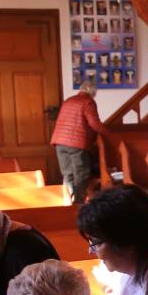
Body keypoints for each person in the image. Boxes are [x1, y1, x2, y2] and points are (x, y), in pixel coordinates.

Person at [50, 78, 111, 206]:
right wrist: (109, 134)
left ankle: (67, 202)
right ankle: (78, 203)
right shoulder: (88, 102)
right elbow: (94, 124)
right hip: (76, 144)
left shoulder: (68, 101)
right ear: (92, 91)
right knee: (81, 174)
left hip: (59, 142)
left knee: (68, 174)